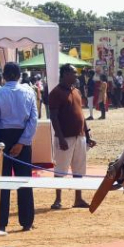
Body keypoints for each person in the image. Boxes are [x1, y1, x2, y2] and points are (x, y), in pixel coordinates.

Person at [0, 62, 38, 231]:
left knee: (2, 181)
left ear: (3, 75)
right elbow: (33, 120)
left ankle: (0, 223)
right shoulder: (29, 91)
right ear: (19, 75)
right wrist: (23, 142)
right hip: (23, 137)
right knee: (24, 180)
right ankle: (27, 222)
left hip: (3, 137)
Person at [49, 64, 95, 210]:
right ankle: (58, 199)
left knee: (79, 169)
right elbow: (54, 117)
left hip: (80, 136)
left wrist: (87, 135)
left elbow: (81, 115)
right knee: (61, 170)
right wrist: (61, 138)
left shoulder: (76, 91)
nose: (76, 76)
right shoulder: (56, 92)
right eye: (74, 73)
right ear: (65, 74)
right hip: (65, 138)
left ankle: (78, 198)